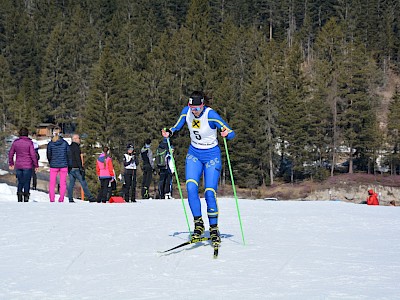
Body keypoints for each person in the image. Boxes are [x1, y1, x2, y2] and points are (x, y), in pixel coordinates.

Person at [161, 91, 235, 247]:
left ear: (203, 105)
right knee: (191, 187)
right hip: (194, 154)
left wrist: (226, 133)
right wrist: (169, 132)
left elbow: (231, 133)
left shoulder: (210, 115)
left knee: (209, 192)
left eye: (197, 108)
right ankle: (198, 224)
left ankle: (214, 228)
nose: (194, 111)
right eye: (192, 108)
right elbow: (176, 127)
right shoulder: (186, 112)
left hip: (211, 156)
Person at [8, 127, 39, 202]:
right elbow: (33, 155)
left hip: (18, 165)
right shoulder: (29, 143)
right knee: (27, 181)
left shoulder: (16, 142)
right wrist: (36, 165)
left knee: (20, 181)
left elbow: (11, 153)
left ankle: (19, 195)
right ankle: (26, 196)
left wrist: (11, 163)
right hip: (27, 165)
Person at [67, 134, 96, 203]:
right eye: (78, 138)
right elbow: (78, 158)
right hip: (76, 167)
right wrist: (81, 167)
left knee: (71, 183)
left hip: (70, 167)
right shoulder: (76, 147)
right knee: (83, 183)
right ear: (75, 139)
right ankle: (90, 197)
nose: (79, 140)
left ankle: (70, 198)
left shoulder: (69, 147)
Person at [47, 126, 71, 202]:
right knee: (63, 183)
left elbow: (49, 154)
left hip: (53, 165)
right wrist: (68, 163)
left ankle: (52, 198)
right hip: (63, 165)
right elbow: (68, 154)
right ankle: (61, 198)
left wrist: (50, 161)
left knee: (52, 183)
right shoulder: (65, 143)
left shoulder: (50, 144)